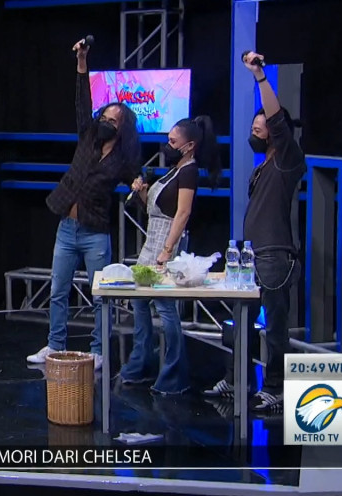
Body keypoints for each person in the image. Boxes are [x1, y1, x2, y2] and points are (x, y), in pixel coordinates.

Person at [28, 38, 141, 369]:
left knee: (100, 295)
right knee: (58, 290)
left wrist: (139, 185)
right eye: (103, 116)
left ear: (122, 128)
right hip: (67, 227)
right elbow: (82, 101)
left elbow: (137, 182)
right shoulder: (88, 136)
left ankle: (98, 350)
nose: (105, 121)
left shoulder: (124, 158)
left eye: (112, 120)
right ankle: (54, 345)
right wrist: (82, 62)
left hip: (95, 233)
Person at [204, 51, 306, 411]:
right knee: (240, 324)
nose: (255, 132)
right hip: (251, 257)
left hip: (275, 258)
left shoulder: (288, 160)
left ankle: (276, 388)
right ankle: (236, 381)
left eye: (259, 129)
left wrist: (260, 77)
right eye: (253, 129)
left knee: (275, 329)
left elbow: (277, 120)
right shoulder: (263, 167)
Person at [119, 116, 221, 395]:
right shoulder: (173, 171)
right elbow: (155, 209)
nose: (168, 145)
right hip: (150, 244)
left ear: (189, 146)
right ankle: (140, 363)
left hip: (166, 246)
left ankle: (175, 375)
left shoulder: (189, 172)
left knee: (164, 307)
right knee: (139, 303)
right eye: (168, 140)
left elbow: (182, 213)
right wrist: (142, 192)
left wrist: (166, 251)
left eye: (173, 142)